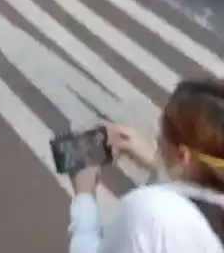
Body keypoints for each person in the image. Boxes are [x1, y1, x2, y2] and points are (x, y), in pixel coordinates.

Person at [68, 78, 224, 253]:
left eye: (162, 137)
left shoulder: (153, 212)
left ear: (183, 156)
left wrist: (84, 196)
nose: (158, 139)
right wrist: (156, 163)